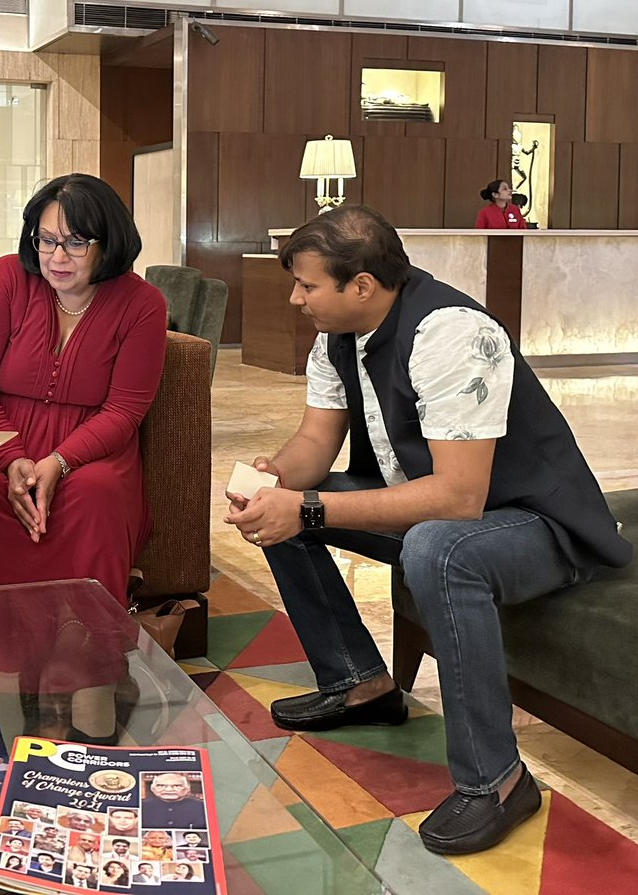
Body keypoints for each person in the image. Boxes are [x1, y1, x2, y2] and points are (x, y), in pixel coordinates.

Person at [225, 205, 630, 856]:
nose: (294, 298)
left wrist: (306, 506)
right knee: (288, 508)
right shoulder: (339, 335)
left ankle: (496, 782)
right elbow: (312, 441)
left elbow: (458, 497)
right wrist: (276, 479)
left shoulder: (450, 334)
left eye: (307, 285)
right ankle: (359, 685)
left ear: (360, 285)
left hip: (540, 525)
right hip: (444, 509)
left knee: (437, 548)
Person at [0, 173, 166, 744]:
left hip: (89, 446)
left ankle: (89, 681)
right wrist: (13, 457)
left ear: (109, 242)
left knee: (95, 499)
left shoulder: (143, 304)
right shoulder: (6, 280)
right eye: (45, 240)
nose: (56, 256)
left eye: (74, 242)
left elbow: (124, 411)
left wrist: (57, 464)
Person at [139, 774, 206, 830]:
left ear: (187, 789)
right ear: (153, 789)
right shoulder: (141, 806)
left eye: (177, 786)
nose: (169, 790)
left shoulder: (202, 806)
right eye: (161, 786)